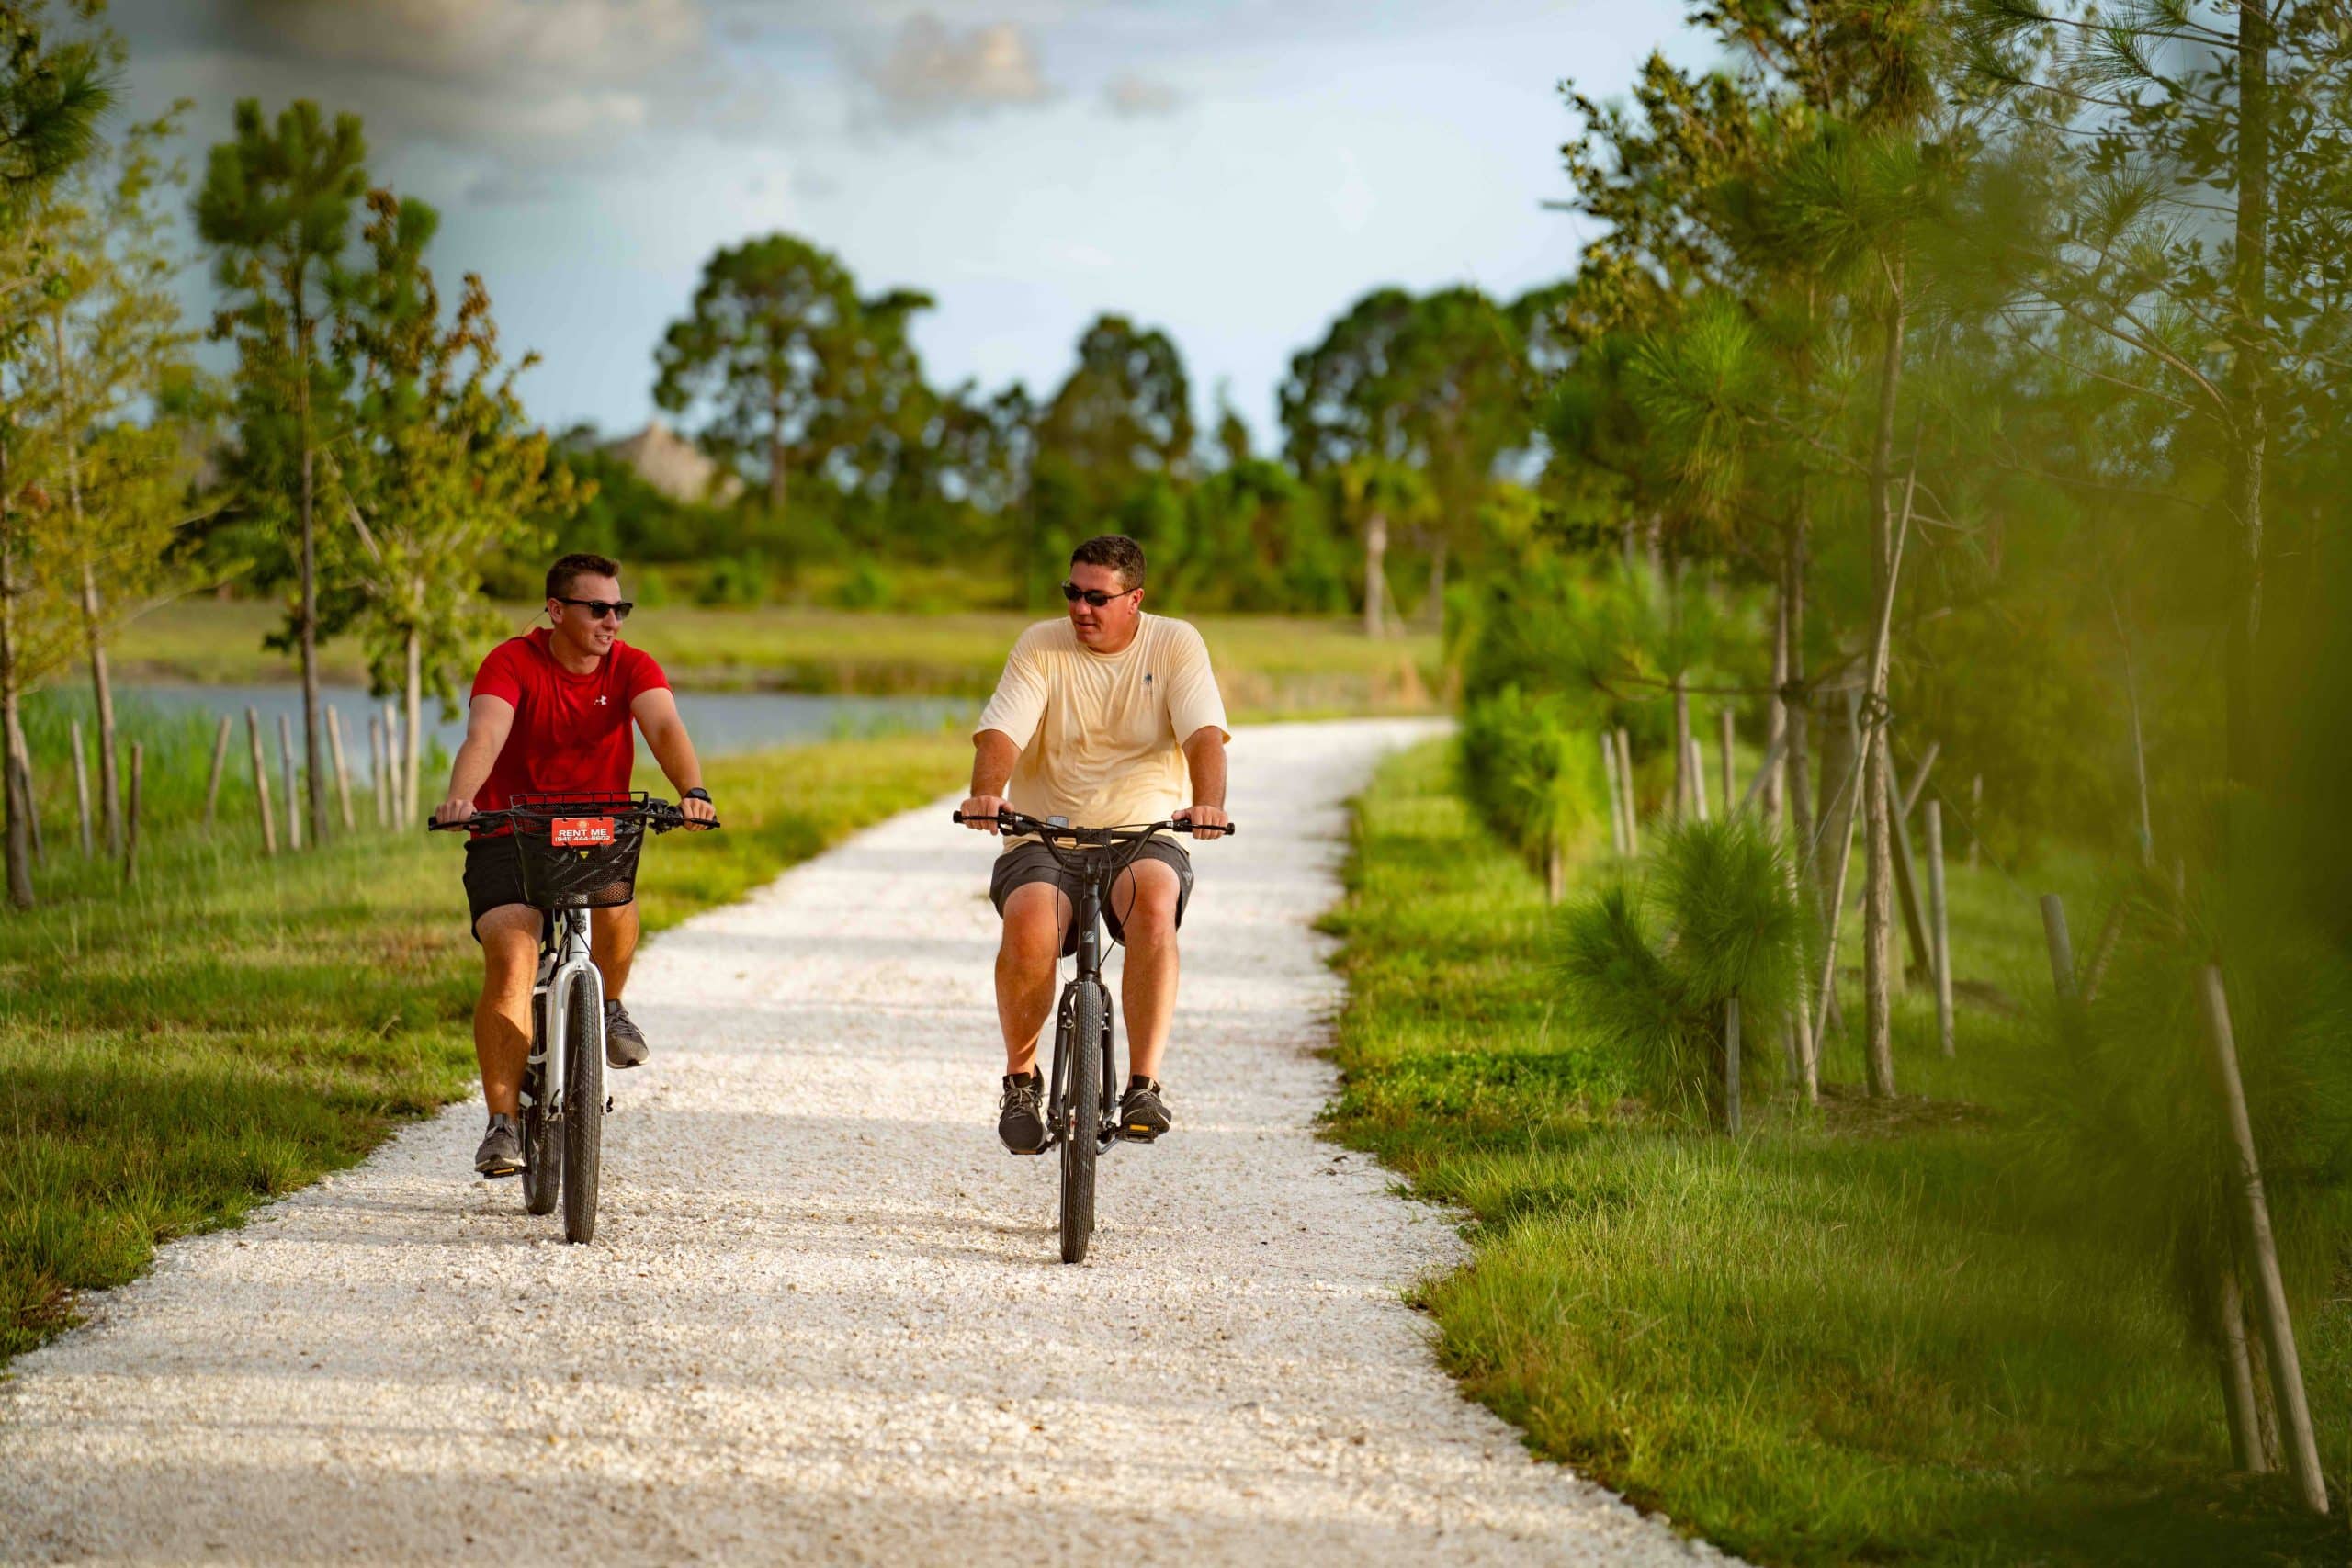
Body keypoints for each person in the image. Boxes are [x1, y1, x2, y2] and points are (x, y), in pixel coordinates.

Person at [432, 552, 717, 1177]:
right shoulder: (510, 662)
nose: (611, 620)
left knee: (617, 902)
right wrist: (463, 798)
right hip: (510, 830)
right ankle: (502, 1122)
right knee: (512, 954)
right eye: (598, 608)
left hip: (595, 831)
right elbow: (485, 732)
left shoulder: (632, 666)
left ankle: (608, 1004)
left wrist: (692, 788)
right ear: (557, 610)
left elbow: (664, 725)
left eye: (620, 608)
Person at [959, 534, 1231, 1152]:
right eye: (1072, 593)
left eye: (1096, 597)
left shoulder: (1175, 643)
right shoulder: (1041, 644)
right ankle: (1022, 1081)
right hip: (1045, 831)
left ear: (1135, 599)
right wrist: (986, 792)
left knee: (1155, 905)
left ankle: (1143, 1085)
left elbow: (1204, 738)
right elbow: (1001, 731)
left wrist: (1210, 802)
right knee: (1029, 921)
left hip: (1143, 832)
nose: (1080, 608)